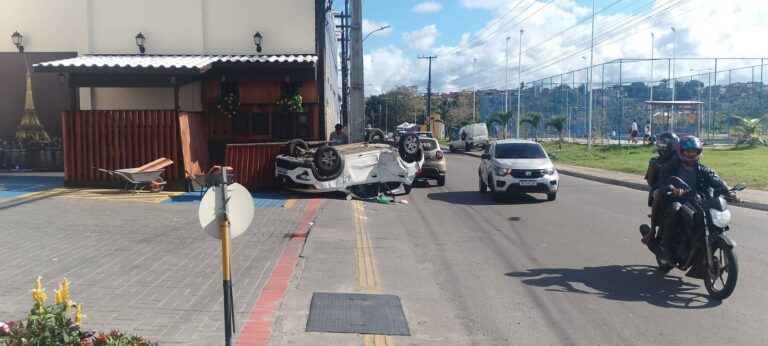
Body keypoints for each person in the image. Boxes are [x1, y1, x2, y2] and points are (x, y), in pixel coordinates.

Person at [657, 135, 738, 264]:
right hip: (676, 199)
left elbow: (715, 179)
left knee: (710, 211)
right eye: (688, 151)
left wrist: (729, 193)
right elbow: (664, 181)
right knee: (675, 209)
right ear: (681, 151)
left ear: (698, 151)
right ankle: (667, 248)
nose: (691, 154)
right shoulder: (671, 166)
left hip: (696, 199)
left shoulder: (701, 168)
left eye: (694, 151)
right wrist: (673, 189)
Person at [640, 132, 679, 245]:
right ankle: (652, 231)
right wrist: (653, 169)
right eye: (662, 150)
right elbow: (650, 182)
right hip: (660, 188)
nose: (664, 152)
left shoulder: (680, 160)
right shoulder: (654, 161)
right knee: (659, 193)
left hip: (679, 188)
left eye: (667, 150)